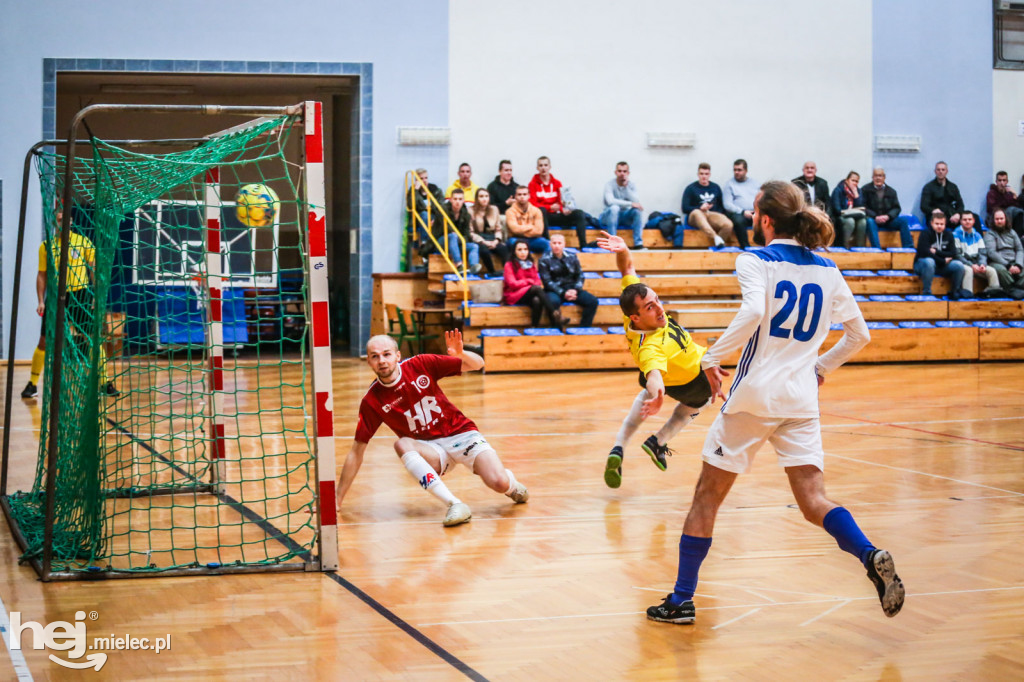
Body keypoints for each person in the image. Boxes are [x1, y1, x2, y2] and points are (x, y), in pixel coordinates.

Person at [645, 180, 904, 626]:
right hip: (801, 400)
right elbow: (860, 335)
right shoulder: (827, 268)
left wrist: (709, 357)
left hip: (753, 398)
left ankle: (682, 600)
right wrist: (820, 369)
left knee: (706, 496)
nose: (750, 218)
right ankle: (868, 553)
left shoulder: (754, 261)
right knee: (813, 500)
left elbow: (752, 313)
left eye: (754, 213)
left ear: (765, 218)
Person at [336, 332, 529, 527]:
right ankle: (455, 504)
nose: (382, 361)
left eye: (386, 354)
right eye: (375, 356)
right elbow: (356, 451)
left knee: (499, 483)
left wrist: (461, 354)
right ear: (368, 361)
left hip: (462, 434)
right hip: (432, 451)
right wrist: (337, 500)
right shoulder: (372, 401)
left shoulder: (420, 364)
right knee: (402, 444)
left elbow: (478, 364)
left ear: (398, 356)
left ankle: (510, 484)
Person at [594, 231, 712, 489]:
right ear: (637, 317)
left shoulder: (631, 306)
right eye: (650, 307)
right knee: (703, 401)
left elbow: (628, 267)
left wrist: (623, 248)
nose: (659, 308)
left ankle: (618, 447)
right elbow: (655, 377)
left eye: (656, 300)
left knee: (645, 394)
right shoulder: (651, 348)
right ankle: (658, 441)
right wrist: (658, 396)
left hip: (670, 374)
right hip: (693, 379)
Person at [24, 206, 117, 400]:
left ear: (71, 222)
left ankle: (105, 383)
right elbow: (42, 275)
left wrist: (95, 297)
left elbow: (94, 269)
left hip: (79, 295)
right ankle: (32, 385)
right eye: (59, 220)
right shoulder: (46, 246)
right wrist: (41, 300)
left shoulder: (82, 242)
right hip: (57, 296)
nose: (62, 223)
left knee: (92, 339)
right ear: (53, 223)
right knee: (44, 341)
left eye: (65, 219)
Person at [503, 240, 566, 329]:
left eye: (525, 249)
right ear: (514, 251)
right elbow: (512, 284)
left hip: (528, 292)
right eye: (519, 250)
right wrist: (527, 281)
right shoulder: (509, 265)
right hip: (513, 295)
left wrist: (529, 284)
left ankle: (534, 326)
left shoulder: (530, 263)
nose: (523, 252)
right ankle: (555, 313)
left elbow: (537, 281)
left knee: (537, 300)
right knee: (536, 289)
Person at [539, 234, 599, 327]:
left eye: (559, 243)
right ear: (550, 244)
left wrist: (575, 290)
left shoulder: (572, 256)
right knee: (552, 302)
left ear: (564, 244)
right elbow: (547, 281)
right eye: (554, 243)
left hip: (572, 288)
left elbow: (580, 275)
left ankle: (584, 329)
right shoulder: (544, 259)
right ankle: (557, 329)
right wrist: (563, 293)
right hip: (554, 290)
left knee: (593, 301)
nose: (557, 246)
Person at [528, 156, 588, 247]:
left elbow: (561, 201)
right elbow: (532, 204)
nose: (543, 168)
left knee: (579, 213)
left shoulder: (557, 183)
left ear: (549, 167)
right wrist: (549, 207)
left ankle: (583, 245)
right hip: (544, 217)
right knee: (541, 210)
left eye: (545, 165)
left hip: (557, 215)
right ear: (537, 168)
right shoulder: (532, 184)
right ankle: (547, 242)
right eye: (541, 165)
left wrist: (563, 208)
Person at [914, 209, 967, 299]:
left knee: (958, 265)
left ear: (945, 224)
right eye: (937, 224)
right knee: (929, 261)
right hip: (922, 265)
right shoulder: (925, 234)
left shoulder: (949, 234)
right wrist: (942, 260)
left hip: (941, 265)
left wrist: (937, 252)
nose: (939, 226)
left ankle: (954, 292)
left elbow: (953, 253)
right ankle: (926, 292)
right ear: (931, 223)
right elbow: (924, 252)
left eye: (942, 224)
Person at [681, 162, 733, 248]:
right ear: (698, 174)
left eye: (706, 174)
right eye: (701, 174)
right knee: (697, 212)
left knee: (728, 224)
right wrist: (700, 208)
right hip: (695, 216)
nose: (704, 176)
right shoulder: (690, 188)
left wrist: (716, 214)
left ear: (709, 175)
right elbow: (684, 208)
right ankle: (715, 237)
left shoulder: (715, 187)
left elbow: (721, 206)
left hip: (711, 214)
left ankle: (718, 245)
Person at [862, 167, 912, 249]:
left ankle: (909, 249)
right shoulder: (865, 189)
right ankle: (877, 249)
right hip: (873, 219)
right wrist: (875, 217)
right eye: (876, 176)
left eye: (880, 176)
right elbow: (863, 207)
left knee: (903, 221)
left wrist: (888, 216)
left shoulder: (891, 191)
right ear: (872, 177)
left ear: (884, 177)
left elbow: (897, 208)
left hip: (888, 220)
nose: (878, 178)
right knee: (869, 222)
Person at [600, 162, 645, 249]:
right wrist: (630, 204)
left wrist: (626, 187)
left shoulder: (631, 185)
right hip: (608, 216)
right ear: (615, 172)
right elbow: (610, 201)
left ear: (628, 173)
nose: (622, 174)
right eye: (619, 171)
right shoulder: (609, 185)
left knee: (637, 211)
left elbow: (636, 202)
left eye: (624, 171)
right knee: (614, 208)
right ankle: (612, 242)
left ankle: (638, 243)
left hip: (624, 216)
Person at [953, 211, 999, 297]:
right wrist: (971, 265)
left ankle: (992, 296)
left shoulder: (978, 235)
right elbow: (957, 255)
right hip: (964, 264)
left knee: (992, 271)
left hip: (977, 264)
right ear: (960, 221)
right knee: (969, 270)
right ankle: (968, 296)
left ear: (974, 221)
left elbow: (983, 253)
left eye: (970, 219)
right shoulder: (955, 235)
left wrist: (982, 264)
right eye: (965, 219)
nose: (967, 221)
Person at [468, 188, 509, 274]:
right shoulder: (470, 210)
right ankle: (492, 272)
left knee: (504, 249)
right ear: (476, 198)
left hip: (492, 237)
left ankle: (507, 272)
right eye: (481, 196)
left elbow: (498, 228)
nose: (484, 199)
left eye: (486, 196)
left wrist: (496, 240)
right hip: (479, 239)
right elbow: (470, 232)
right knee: (484, 251)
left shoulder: (494, 209)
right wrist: (483, 242)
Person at [440, 188, 481, 273]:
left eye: (460, 199)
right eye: (455, 199)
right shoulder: (443, 210)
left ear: (463, 201)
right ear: (450, 200)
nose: (457, 202)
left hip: (457, 242)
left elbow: (466, 233)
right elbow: (444, 228)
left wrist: (462, 238)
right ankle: (459, 265)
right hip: (441, 240)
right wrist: (457, 237)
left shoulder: (465, 214)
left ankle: (473, 266)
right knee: (453, 235)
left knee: (474, 246)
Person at [983, 209, 1024, 292]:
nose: (999, 221)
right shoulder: (989, 234)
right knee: (1001, 270)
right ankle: (1012, 289)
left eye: (1001, 219)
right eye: (997, 219)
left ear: (1006, 219)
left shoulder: (1012, 232)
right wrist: (1008, 265)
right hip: (998, 262)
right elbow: (992, 253)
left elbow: (1020, 249)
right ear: (993, 221)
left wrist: (1018, 265)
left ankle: (1017, 288)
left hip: (1014, 261)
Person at [505, 185, 551, 255]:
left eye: (524, 194)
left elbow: (539, 231)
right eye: (519, 194)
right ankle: (517, 265)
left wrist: (522, 230)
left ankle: (546, 264)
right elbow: (515, 230)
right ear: (515, 196)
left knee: (548, 244)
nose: (522, 197)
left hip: (534, 240)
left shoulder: (537, 211)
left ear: (529, 196)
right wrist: (531, 227)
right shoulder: (510, 211)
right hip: (516, 239)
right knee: (512, 243)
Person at [408, 168, 445, 250]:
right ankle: (425, 242)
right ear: (417, 180)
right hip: (419, 219)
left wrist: (436, 218)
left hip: (434, 216)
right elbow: (411, 205)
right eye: (421, 178)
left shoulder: (434, 189)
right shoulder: (413, 190)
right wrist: (416, 191)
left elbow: (441, 205)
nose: (424, 180)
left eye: (426, 178)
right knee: (424, 215)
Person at [722, 159, 754, 249]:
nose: (736, 172)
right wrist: (743, 211)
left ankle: (767, 247)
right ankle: (746, 247)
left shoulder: (755, 184)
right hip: (738, 213)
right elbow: (727, 204)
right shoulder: (729, 184)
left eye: (739, 170)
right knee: (739, 220)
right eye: (735, 170)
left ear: (746, 171)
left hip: (753, 212)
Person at [831, 171, 868, 247]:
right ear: (847, 180)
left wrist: (855, 194)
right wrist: (848, 212)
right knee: (850, 221)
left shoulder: (858, 191)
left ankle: (860, 247)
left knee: (863, 222)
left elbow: (861, 207)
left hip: (855, 216)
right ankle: (844, 246)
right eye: (853, 180)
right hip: (840, 216)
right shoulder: (838, 190)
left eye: (857, 181)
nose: (854, 183)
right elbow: (836, 209)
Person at [920, 161, 963, 226]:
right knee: (937, 223)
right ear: (935, 171)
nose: (940, 172)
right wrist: (933, 210)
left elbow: (960, 204)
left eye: (943, 170)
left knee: (973, 218)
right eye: (938, 169)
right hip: (936, 216)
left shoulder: (953, 187)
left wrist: (958, 214)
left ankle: (978, 236)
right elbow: (924, 206)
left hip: (952, 216)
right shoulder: (928, 187)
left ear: (947, 171)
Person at [985, 171, 1023, 236]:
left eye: (1004, 180)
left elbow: (1016, 207)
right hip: (994, 217)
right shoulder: (991, 193)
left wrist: (1014, 195)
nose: (1002, 183)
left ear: (1007, 182)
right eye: (999, 180)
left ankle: (1018, 235)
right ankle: (1007, 235)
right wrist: (1004, 199)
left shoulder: (1009, 193)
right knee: (1009, 210)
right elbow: (991, 208)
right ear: (996, 182)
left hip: (1009, 216)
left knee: (1019, 211)